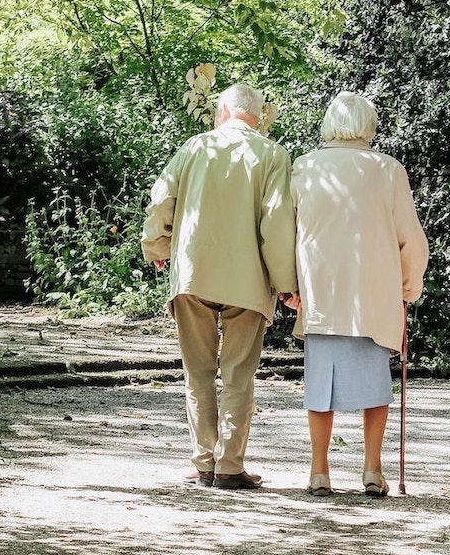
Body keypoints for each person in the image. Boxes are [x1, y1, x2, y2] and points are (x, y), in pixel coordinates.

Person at [141, 83, 298, 491]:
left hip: (194, 274)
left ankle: (203, 462)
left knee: (198, 372)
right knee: (238, 375)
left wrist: (157, 245)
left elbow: (162, 201)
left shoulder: (194, 148)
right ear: (258, 117)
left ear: (222, 112)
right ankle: (229, 466)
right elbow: (277, 223)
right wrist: (286, 283)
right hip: (248, 280)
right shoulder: (273, 155)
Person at [286, 91, 429, 497]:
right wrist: (408, 284)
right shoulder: (388, 170)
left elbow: (287, 232)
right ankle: (372, 469)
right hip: (373, 293)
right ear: (369, 125)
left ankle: (319, 471)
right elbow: (411, 239)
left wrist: (289, 285)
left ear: (329, 123)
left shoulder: (305, 167)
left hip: (323, 292)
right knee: (375, 385)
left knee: (319, 386)